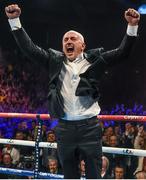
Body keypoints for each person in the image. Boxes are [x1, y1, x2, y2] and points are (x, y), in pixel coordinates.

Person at [5, 4, 140, 179]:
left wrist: (132, 26)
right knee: (69, 175)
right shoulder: (54, 62)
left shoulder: (96, 60)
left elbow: (123, 53)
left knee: (94, 175)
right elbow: (29, 49)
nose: (68, 41)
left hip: (90, 128)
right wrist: (14, 20)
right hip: (64, 128)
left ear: (82, 45)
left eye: (73, 39)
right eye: (65, 39)